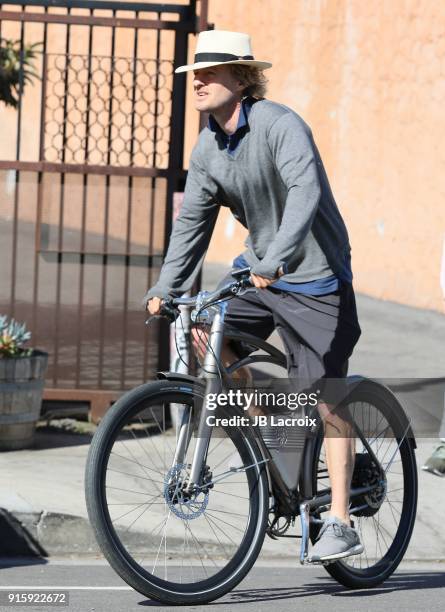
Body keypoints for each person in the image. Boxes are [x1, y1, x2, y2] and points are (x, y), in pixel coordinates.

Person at [144, 30, 363, 562]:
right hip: (258, 273)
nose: (197, 81)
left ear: (241, 78)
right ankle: (271, 438)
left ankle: (340, 517)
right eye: (193, 74)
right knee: (204, 335)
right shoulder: (207, 148)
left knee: (326, 395)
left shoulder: (280, 126)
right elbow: (190, 225)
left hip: (313, 278)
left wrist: (278, 258)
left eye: (210, 72)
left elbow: (305, 192)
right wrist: (166, 287)